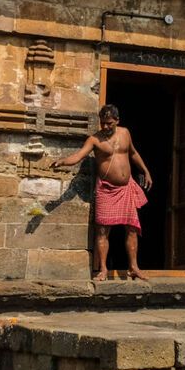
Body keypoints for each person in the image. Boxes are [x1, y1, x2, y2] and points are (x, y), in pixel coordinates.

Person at [53, 104, 153, 280]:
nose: (105, 127)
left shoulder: (125, 133)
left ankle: (134, 267)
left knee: (131, 229)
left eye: (109, 123)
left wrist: (145, 171)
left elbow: (133, 153)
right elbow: (78, 156)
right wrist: (62, 162)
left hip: (126, 188)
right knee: (102, 231)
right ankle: (104, 269)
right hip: (107, 189)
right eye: (103, 123)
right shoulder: (94, 140)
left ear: (117, 121)